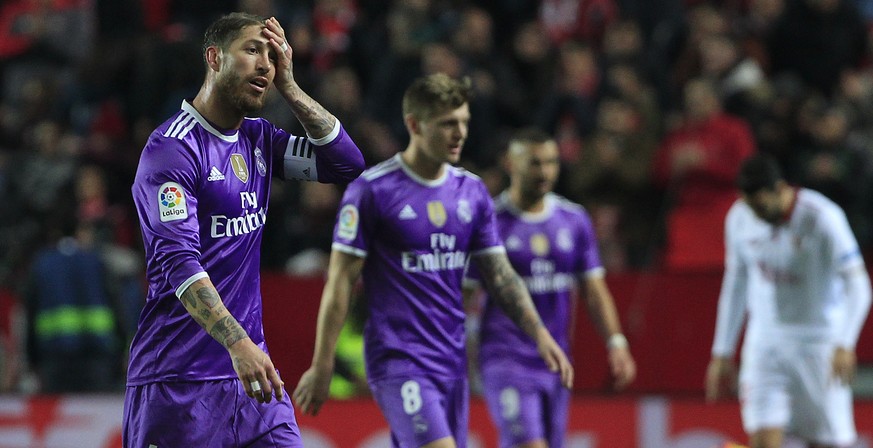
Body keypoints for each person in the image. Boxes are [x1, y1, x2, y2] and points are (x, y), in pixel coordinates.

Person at [293, 73, 574, 448]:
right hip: (399, 359)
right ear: (414, 125)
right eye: (447, 124)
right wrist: (323, 362)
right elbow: (341, 281)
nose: (459, 133)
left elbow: (500, 275)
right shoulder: (372, 191)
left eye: (463, 123)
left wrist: (539, 333)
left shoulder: (472, 191)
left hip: (452, 359)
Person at [123, 12, 365, 448]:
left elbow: (346, 163)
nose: (265, 65)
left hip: (254, 381)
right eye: (252, 50)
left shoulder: (260, 140)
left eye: (272, 56)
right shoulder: (171, 151)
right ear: (214, 57)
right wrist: (238, 343)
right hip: (180, 380)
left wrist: (291, 89)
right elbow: (179, 263)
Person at [462, 128, 637, 448]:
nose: (545, 172)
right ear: (510, 164)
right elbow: (465, 294)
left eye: (551, 163)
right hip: (505, 357)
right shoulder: (489, 222)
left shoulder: (574, 220)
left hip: (556, 360)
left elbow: (594, 290)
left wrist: (616, 341)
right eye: (535, 163)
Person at [705, 153, 871, 448]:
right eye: (749, 205)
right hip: (764, 344)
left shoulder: (822, 217)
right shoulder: (740, 218)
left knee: (828, 442)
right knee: (762, 440)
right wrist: (722, 350)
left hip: (817, 344)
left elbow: (858, 284)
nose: (756, 215)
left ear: (779, 188)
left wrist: (845, 342)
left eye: (761, 205)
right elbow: (736, 282)